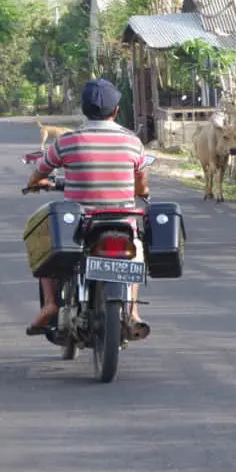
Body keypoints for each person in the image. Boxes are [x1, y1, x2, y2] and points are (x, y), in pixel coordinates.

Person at [25, 78, 152, 340]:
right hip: (121, 223)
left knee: (50, 247)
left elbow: (40, 171)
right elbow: (141, 184)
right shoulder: (133, 142)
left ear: (84, 110)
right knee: (136, 251)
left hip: (80, 224)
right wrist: (140, 192)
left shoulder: (67, 141)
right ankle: (133, 313)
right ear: (116, 110)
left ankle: (50, 303)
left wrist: (36, 183)